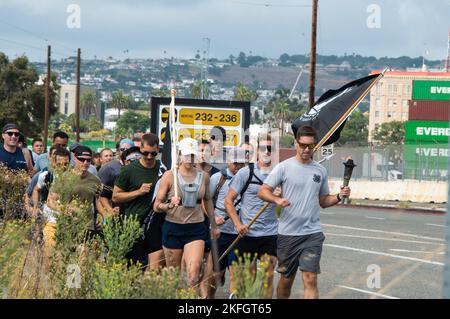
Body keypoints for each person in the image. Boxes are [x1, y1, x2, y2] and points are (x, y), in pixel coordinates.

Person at [258, 126, 351, 299]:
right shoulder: (283, 167)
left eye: (311, 146)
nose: (307, 149)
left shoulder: (320, 170)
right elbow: (263, 191)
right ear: (296, 143)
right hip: (288, 234)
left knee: (310, 278)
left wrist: (339, 196)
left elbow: (323, 201)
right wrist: (277, 200)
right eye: (303, 145)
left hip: (312, 233)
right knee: (287, 280)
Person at [153, 137, 219, 294]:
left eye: (192, 155)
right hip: (173, 227)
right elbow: (156, 205)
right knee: (174, 277)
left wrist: (214, 224)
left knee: (193, 272)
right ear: (180, 155)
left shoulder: (204, 176)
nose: (189, 159)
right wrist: (168, 204)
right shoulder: (170, 176)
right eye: (186, 154)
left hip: (196, 228)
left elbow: (208, 200)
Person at [224, 132, 279, 299]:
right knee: (249, 278)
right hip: (247, 233)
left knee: (267, 276)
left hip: (269, 233)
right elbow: (228, 201)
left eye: (270, 148)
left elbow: (286, 204)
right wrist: (237, 224)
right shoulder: (245, 173)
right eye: (263, 148)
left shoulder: (279, 173)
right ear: (257, 151)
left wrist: (278, 197)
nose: (267, 152)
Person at [113, 133, 164, 268]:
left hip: (156, 224)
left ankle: (150, 289)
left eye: (153, 154)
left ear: (158, 150)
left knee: (155, 267)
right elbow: (116, 196)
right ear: (140, 149)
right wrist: (138, 192)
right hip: (134, 223)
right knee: (133, 266)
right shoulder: (129, 170)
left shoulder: (163, 169)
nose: (149, 157)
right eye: (145, 153)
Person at [204, 147, 247, 298]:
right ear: (228, 161)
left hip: (238, 234)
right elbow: (206, 200)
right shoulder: (218, 178)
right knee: (215, 273)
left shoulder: (247, 177)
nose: (239, 167)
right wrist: (213, 219)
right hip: (219, 232)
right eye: (236, 163)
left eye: (242, 164)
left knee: (235, 270)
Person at [46, 145, 102, 243]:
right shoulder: (64, 178)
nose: (85, 163)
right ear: (75, 158)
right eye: (82, 159)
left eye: (88, 160)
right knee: (65, 257)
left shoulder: (95, 180)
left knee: (83, 257)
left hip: (87, 225)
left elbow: (98, 201)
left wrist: (102, 215)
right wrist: (63, 209)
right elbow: (50, 201)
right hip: (67, 224)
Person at [32, 147, 71, 252]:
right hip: (50, 219)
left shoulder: (73, 178)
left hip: (68, 222)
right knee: (49, 252)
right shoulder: (46, 176)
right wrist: (35, 207)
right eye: (59, 164)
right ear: (53, 162)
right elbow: (36, 190)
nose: (63, 167)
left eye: (66, 164)